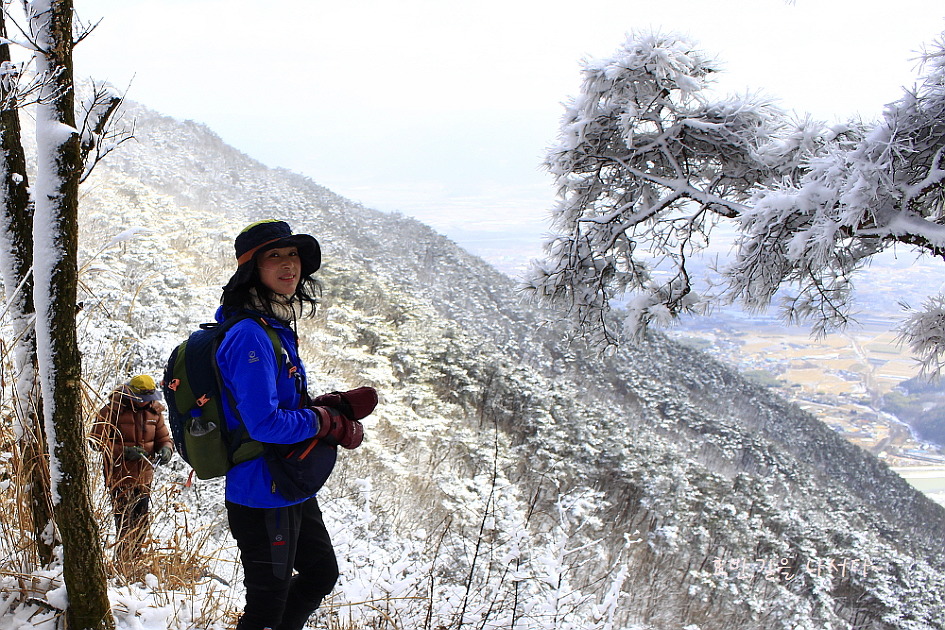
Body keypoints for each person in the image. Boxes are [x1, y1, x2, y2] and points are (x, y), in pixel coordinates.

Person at [216, 219, 370, 630]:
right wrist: (323, 421)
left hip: (289, 482)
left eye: (293, 254)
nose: (289, 264)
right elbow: (264, 424)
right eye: (274, 256)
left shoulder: (274, 325)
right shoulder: (250, 335)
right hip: (261, 490)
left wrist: (322, 406)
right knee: (266, 608)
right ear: (252, 268)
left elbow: (277, 402)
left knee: (320, 574)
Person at [92, 374, 174, 567]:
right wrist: (124, 452)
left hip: (144, 477)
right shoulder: (112, 410)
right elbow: (95, 441)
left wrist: (166, 450)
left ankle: (134, 562)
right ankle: (122, 563)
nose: (146, 402)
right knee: (123, 522)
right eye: (142, 399)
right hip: (119, 477)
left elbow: (164, 439)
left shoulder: (155, 412)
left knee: (141, 521)